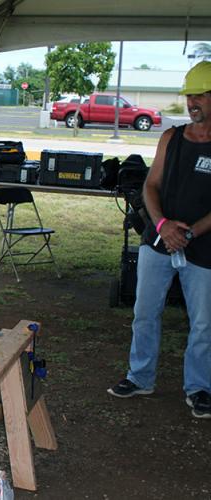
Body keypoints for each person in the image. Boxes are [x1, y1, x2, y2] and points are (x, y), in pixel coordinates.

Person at [107, 61, 211, 420]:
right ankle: (140, 377)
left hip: (202, 246)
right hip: (158, 239)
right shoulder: (173, 137)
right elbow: (151, 185)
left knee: (203, 323)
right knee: (144, 312)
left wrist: (190, 232)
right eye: (189, 96)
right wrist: (164, 224)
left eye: (199, 95)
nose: (192, 102)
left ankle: (199, 387)